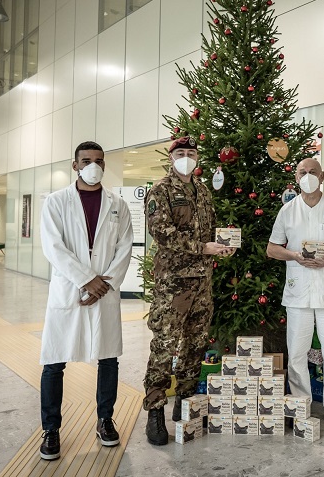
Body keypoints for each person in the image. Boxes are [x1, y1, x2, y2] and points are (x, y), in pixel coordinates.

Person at [39, 141, 134, 460]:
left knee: (108, 359)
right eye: (86, 161)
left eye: (98, 161)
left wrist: (104, 283)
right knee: (54, 362)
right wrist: (86, 279)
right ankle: (50, 428)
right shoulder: (56, 202)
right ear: (75, 165)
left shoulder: (118, 204)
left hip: (104, 292)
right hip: (69, 292)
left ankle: (105, 420)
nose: (93, 165)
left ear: (104, 165)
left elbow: (125, 247)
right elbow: (54, 247)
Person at [143, 135, 235, 445]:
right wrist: (203, 247)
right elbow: (162, 233)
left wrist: (222, 247)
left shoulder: (204, 191)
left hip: (202, 283)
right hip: (173, 285)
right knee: (165, 345)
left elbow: (212, 232)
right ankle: (155, 410)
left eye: (191, 153)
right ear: (171, 158)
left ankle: (183, 402)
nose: (186, 157)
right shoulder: (160, 190)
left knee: (195, 345)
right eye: (180, 152)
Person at [267, 158, 324, 428]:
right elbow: (272, 248)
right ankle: (301, 404)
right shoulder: (287, 210)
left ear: (322, 177)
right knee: (296, 352)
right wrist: (294, 255)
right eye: (302, 172)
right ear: (296, 177)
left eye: (313, 172)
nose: (307, 176)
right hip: (298, 292)